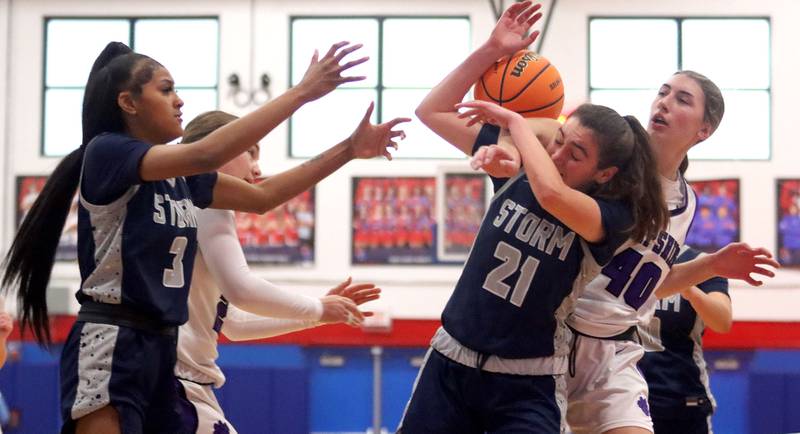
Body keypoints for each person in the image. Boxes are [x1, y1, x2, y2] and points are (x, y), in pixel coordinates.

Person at [1, 40, 408, 434]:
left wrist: (350, 149)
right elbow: (205, 153)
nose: (179, 100)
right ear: (128, 103)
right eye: (166, 89)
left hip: (162, 349)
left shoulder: (182, 178)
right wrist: (302, 92)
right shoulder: (108, 153)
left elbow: (265, 197)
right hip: (113, 340)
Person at [398, 2, 670, 432]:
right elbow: (432, 111)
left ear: (605, 173)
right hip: (451, 361)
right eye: (557, 140)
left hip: (528, 381)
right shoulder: (520, 162)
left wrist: (513, 123)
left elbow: (551, 191)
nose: (558, 155)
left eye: (575, 153)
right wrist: (490, 50)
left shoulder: (612, 216)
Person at [474, 70, 778, 433]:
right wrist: (510, 139)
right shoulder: (614, 159)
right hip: (553, 337)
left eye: (682, 99)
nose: (664, 101)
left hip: (614, 353)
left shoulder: (687, 202)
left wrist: (713, 264)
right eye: (663, 92)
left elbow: (649, 286)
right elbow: (543, 130)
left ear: (704, 130)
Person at [174, 111, 382, 434]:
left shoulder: (184, 205)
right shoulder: (208, 203)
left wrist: (319, 314)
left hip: (177, 379)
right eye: (250, 151)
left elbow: (235, 325)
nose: (257, 168)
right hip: (176, 379)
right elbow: (241, 288)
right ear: (218, 147)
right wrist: (318, 308)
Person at [638, 245, 731, 434]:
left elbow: (722, 321)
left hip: (682, 399)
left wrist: (685, 285)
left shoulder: (702, 262)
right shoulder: (622, 252)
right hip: (625, 396)